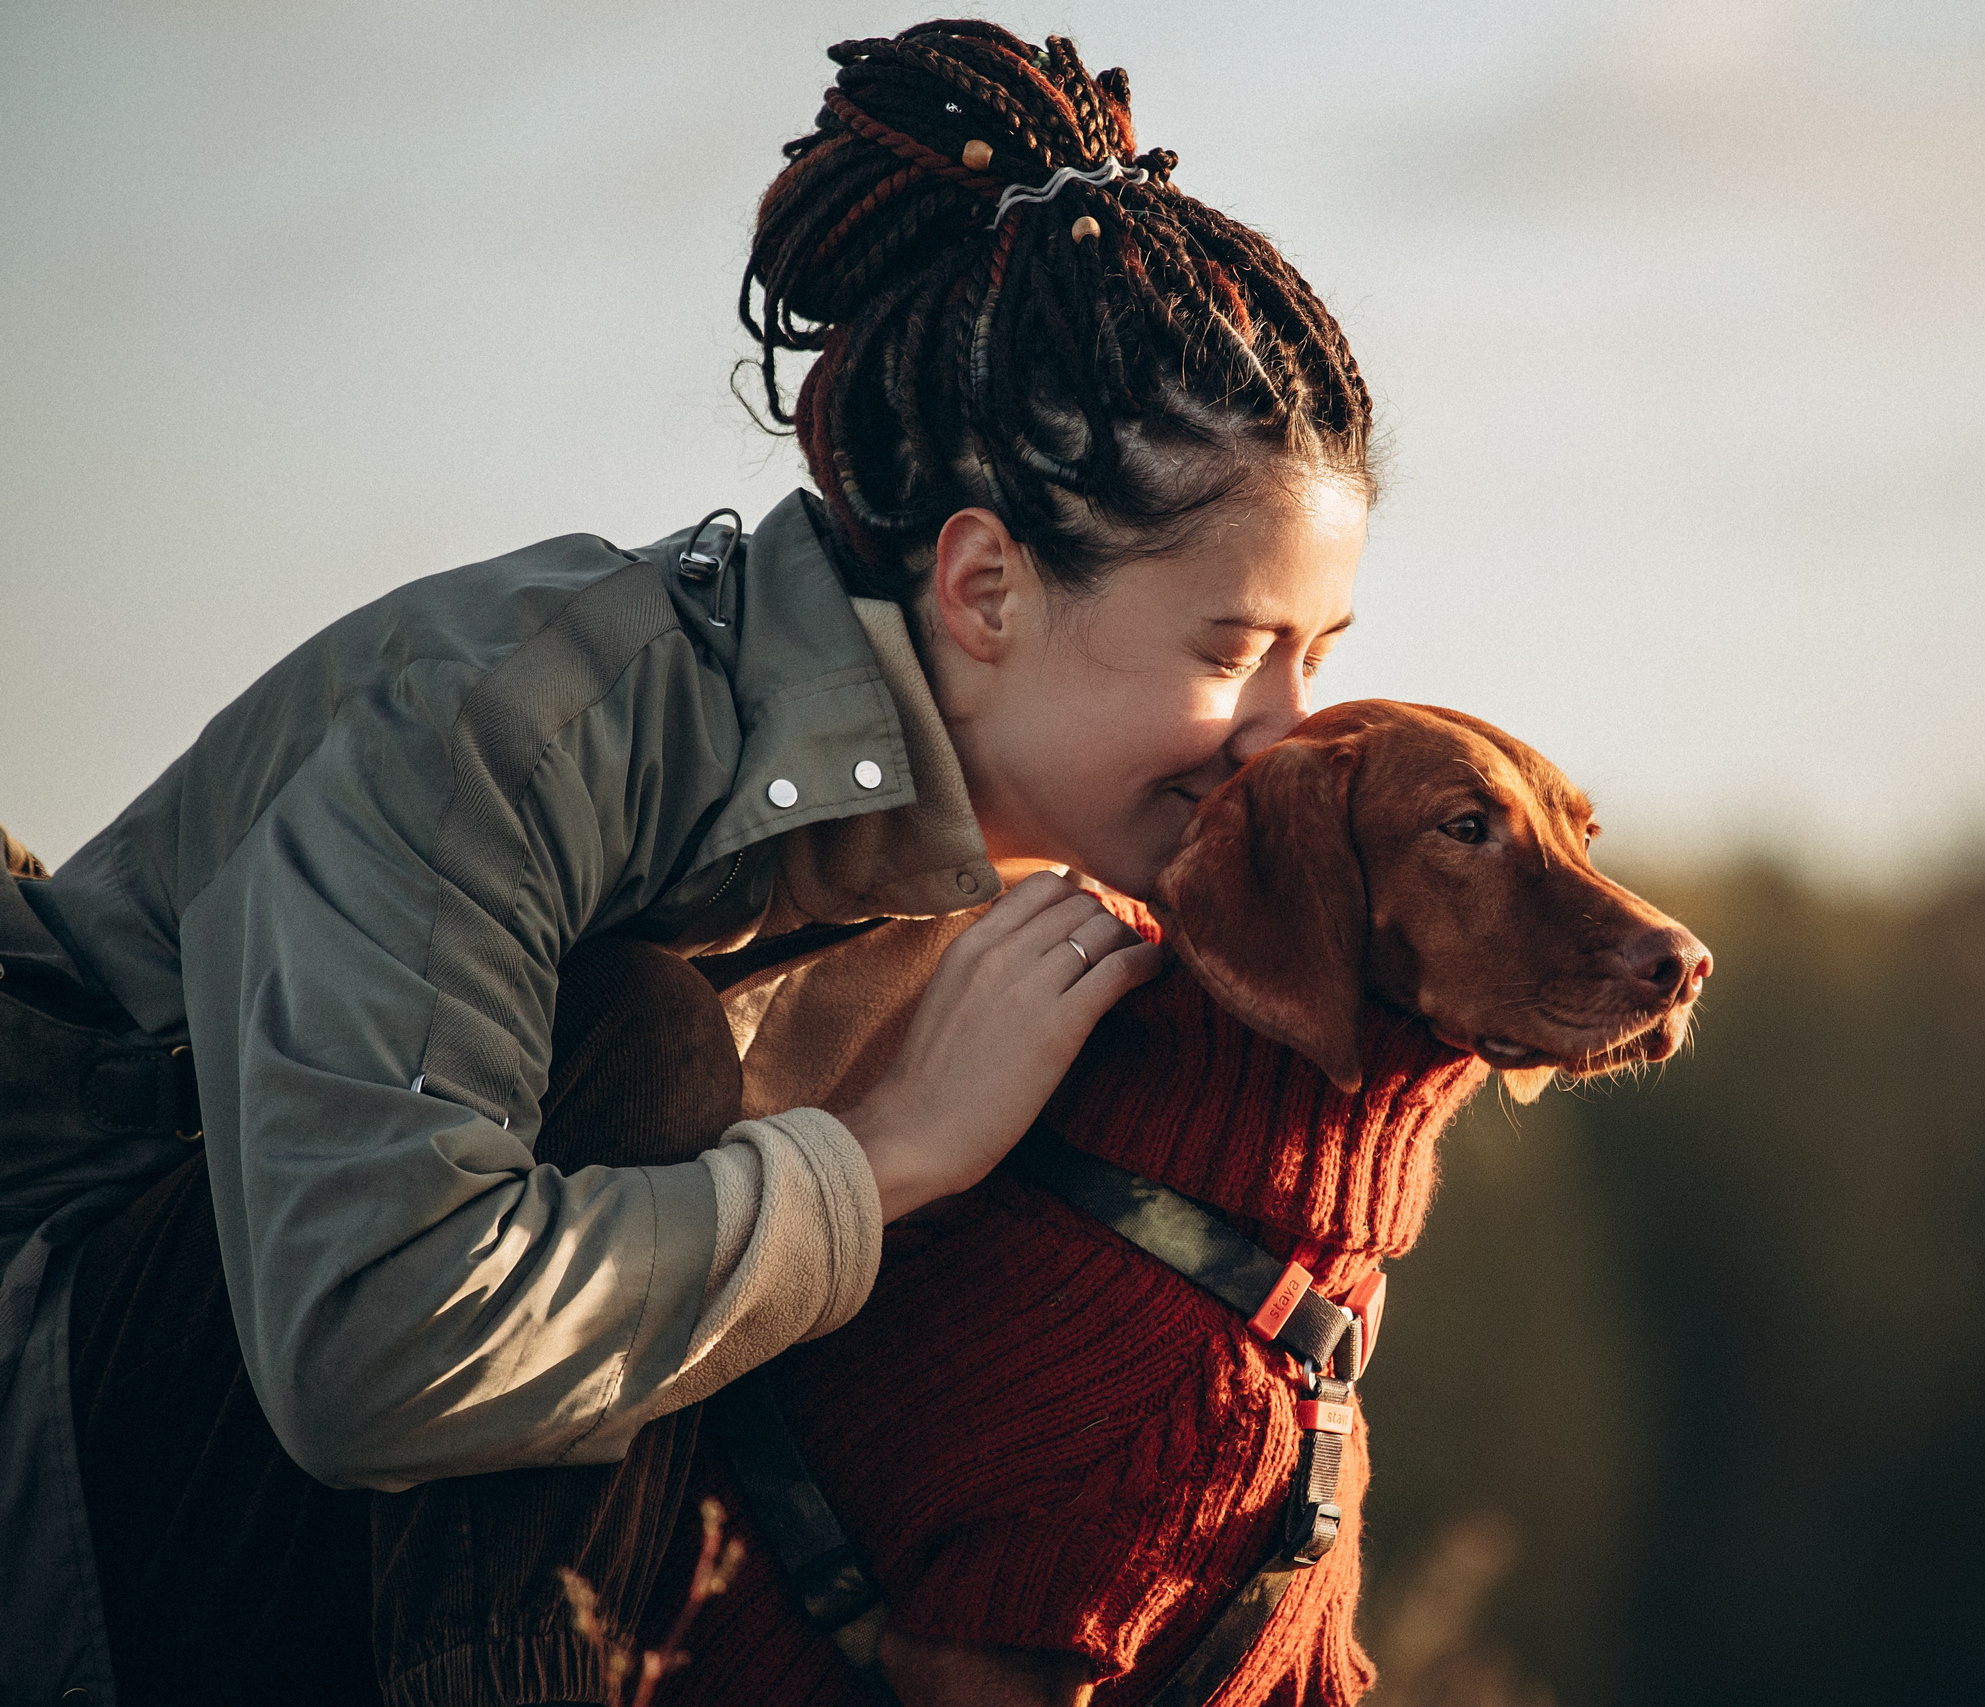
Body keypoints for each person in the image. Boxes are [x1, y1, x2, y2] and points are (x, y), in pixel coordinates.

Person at [0, 20, 1375, 1706]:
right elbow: (368, 1351)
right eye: (1237, 650)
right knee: (638, 1042)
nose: (1290, 727)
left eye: (1323, 650)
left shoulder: (1017, 900)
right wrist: (873, 1165)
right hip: (66, 1453)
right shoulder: (510, 718)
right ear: (986, 589)